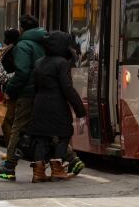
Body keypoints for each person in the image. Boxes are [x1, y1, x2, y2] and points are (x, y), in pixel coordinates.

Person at [0, 15, 47, 181]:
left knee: (17, 128)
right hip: (42, 91)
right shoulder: (44, 41)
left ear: (22, 28)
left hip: (27, 93)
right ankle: (68, 159)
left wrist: (11, 90)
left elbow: (22, 72)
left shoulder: (23, 45)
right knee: (45, 128)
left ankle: (9, 167)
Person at [27, 31, 86, 182]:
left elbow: (34, 87)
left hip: (39, 104)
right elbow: (67, 88)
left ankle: (38, 172)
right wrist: (79, 108)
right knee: (64, 133)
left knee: (41, 138)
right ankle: (57, 168)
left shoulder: (39, 62)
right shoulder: (62, 63)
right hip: (56, 104)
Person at [0, 28, 21, 146]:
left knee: (6, 120)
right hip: (9, 89)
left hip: (11, 90)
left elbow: (16, 71)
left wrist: (9, 88)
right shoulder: (11, 49)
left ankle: (11, 148)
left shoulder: (13, 50)